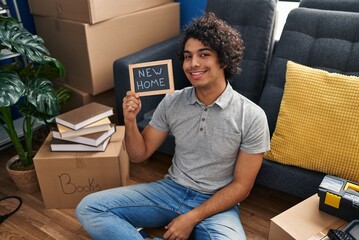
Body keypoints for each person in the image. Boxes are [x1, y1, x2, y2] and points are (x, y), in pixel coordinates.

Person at [76, 12, 270, 240]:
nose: (193, 64)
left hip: (216, 203)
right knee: (89, 208)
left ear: (224, 60)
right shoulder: (172, 101)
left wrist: (191, 218)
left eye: (204, 54)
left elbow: (241, 187)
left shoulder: (252, 116)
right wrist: (129, 121)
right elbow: (139, 154)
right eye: (187, 57)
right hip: (170, 190)